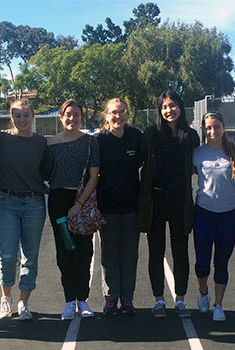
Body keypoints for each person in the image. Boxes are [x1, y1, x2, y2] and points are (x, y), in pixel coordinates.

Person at [138, 90, 200, 318]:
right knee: (156, 251)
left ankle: (181, 299)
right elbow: (138, 161)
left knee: (180, 251)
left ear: (180, 107)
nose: (169, 110)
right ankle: (159, 300)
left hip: (180, 200)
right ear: (159, 110)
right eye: (164, 107)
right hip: (154, 200)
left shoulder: (191, 136)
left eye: (172, 105)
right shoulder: (151, 134)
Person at [44, 99, 100, 320]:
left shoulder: (89, 142)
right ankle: (69, 300)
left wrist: (78, 204)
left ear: (81, 117)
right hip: (58, 201)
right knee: (65, 250)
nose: (72, 118)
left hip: (82, 200)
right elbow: (44, 172)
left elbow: (94, 176)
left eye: (76, 114)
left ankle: (83, 299)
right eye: (68, 114)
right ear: (61, 117)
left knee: (84, 251)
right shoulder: (50, 144)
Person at [0, 100, 47, 321]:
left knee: (30, 256)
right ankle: (5, 299)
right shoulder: (2, 139)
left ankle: (24, 301)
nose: (22, 120)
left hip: (34, 203)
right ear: (11, 117)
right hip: (7, 202)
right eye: (17, 115)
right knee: (7, 255)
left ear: (33, 116)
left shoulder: (41, 142)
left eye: (26, 115)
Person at [192, 112, 235, 322]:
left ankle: (219, 305)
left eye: (217, 127)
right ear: (204, 130)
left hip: (229, 214)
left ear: (224, 128)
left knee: (221, 262)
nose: (212, 131)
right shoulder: (197, 153)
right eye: (208, 128)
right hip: (204, 213)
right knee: (202, 263)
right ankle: (203, 292)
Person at [95, 98, 143, 317]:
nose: (119, 116)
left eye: (122, 112)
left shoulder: (136, 137)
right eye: (114, 112)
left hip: (132, 208)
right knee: (110, 256)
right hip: (108, 209)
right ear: (106, 116)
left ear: (127, 114)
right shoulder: (99, 141)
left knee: (130, 256)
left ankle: (127, 299)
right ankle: (111, 298)